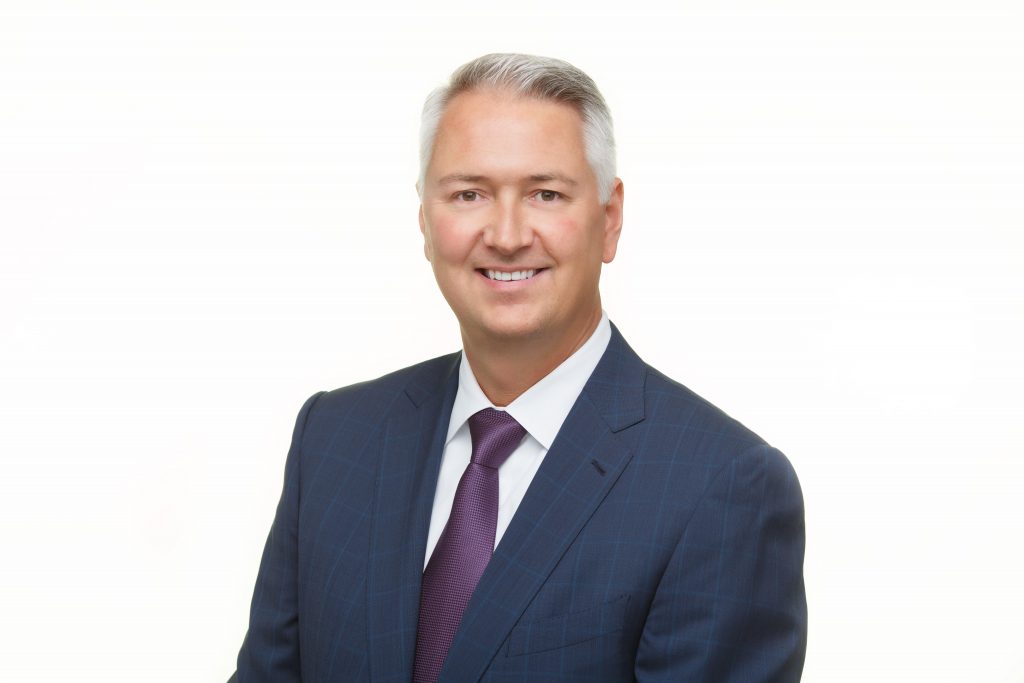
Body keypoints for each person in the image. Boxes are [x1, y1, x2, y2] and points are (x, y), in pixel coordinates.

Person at [232, 53, 807, 682]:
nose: (506, 235)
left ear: (609, 219)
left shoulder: (722, 488)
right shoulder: (335, 439)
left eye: (546, 193)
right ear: (426, 219)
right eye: (469, 193)